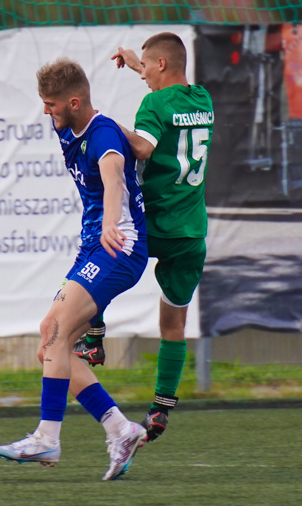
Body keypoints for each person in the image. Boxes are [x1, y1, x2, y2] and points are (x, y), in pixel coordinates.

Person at [0, 58, 149, 481]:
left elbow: (114, 173)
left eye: (51, 104)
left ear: (74, 102)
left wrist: (113, 223)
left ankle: (47, 438)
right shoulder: (70, 125)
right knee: (50, 343)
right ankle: (121, 429)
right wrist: (137, 139)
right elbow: (142, 149)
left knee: (59, 330)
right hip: (94, 247)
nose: (46, 111)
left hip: (118, 246)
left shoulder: (100, 134)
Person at [74, 33, 213, 443]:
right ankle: (161, 409)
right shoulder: (202, 99)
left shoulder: (154, 104)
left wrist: (106, 125)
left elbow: (143, 148)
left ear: (162, 66)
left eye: (149, 70)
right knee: (174, 322)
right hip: (191, 232)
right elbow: (167, 83)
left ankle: (94, 340)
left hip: (154, 225)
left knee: (98, 250)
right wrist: (138, 62)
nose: (145, 78)